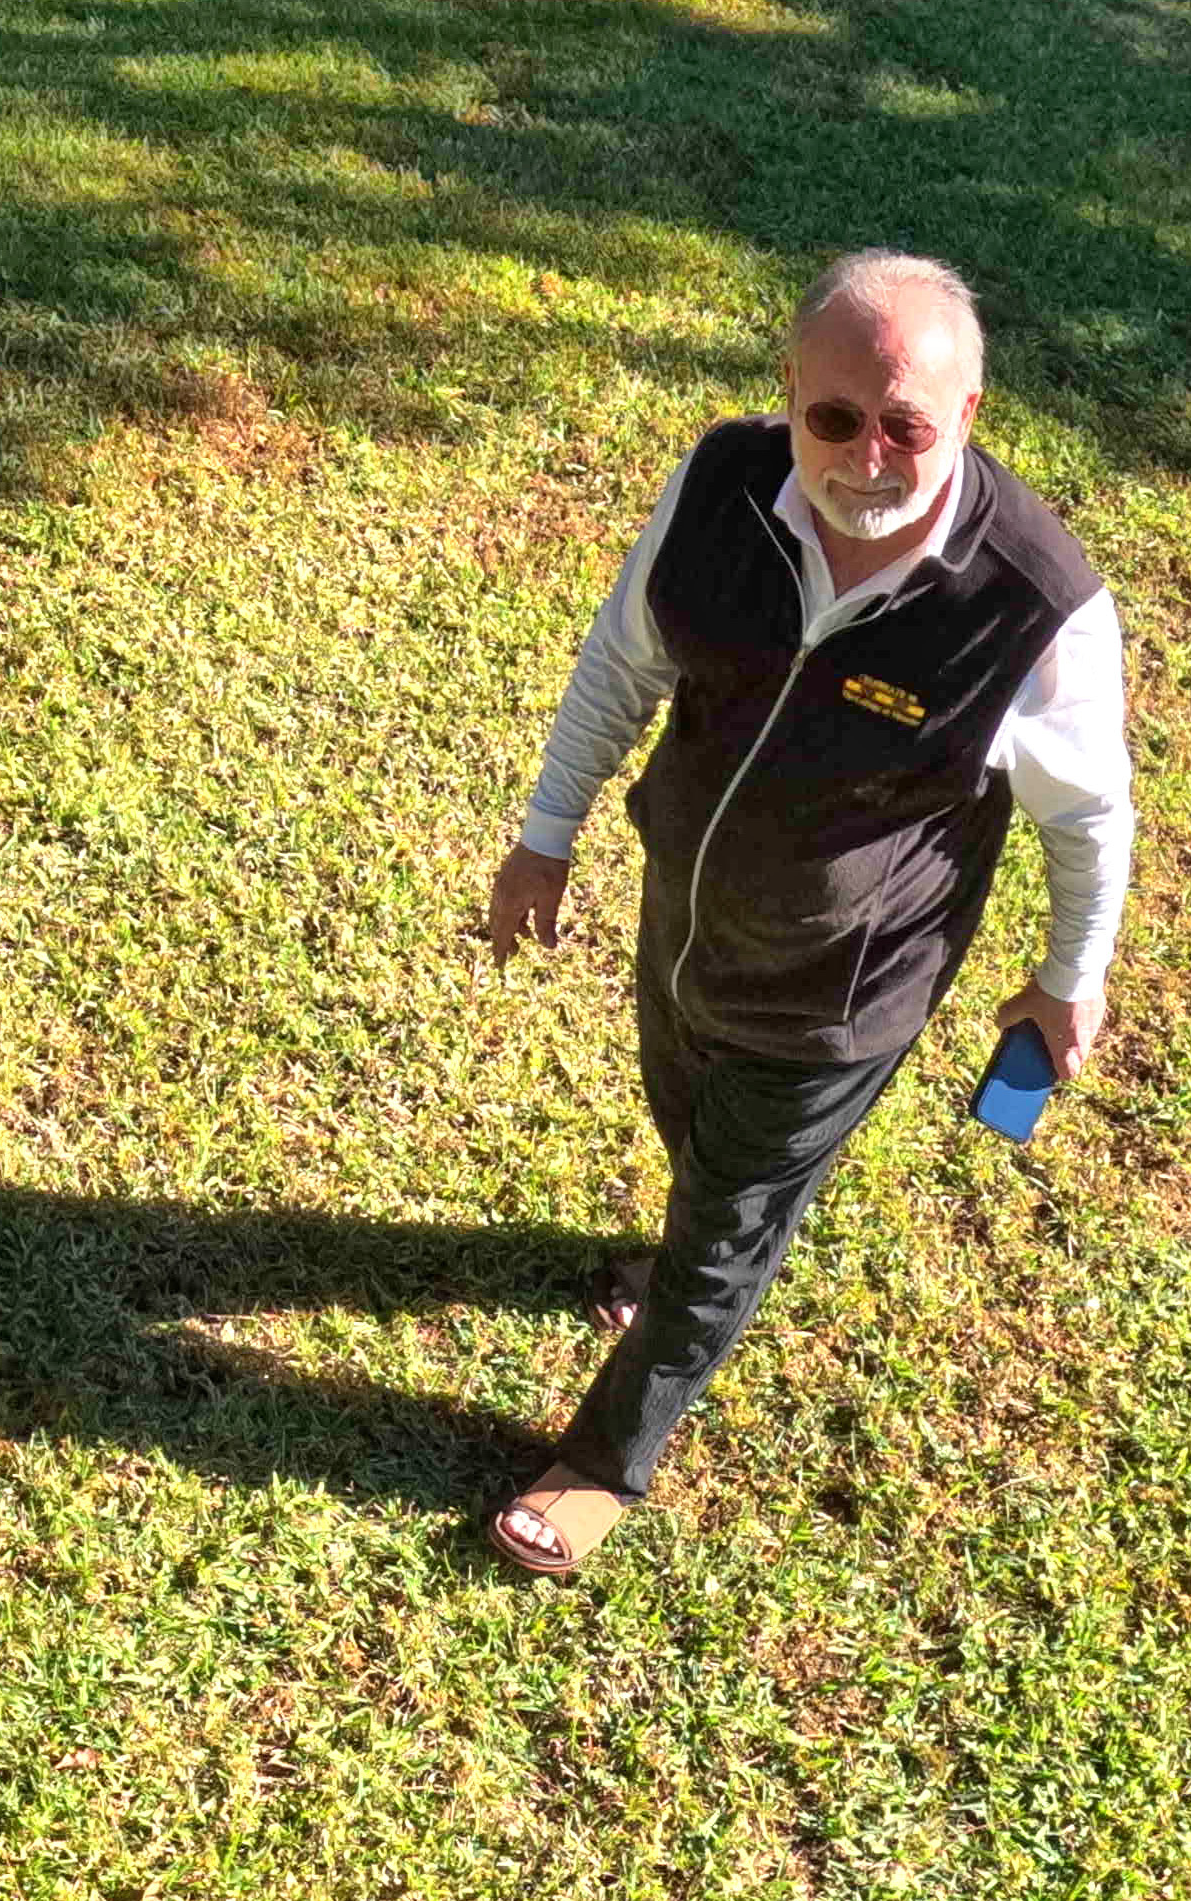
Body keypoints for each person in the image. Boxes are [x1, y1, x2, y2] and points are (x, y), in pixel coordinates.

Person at [473, 252, 1134, 1582]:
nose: (870, 455)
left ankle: (607, 1461)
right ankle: (689, 1263)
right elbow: (624, 663)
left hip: (844, 992)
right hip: (688, 918)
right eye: (836, 417)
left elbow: (1088, 817)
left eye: (909, 424)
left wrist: (1068, 982)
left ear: (971, 415)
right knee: (690, 1131)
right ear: (789, 394)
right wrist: (547, 837)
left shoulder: (1033, 603)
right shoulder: (723, 485)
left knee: (729, 1225)